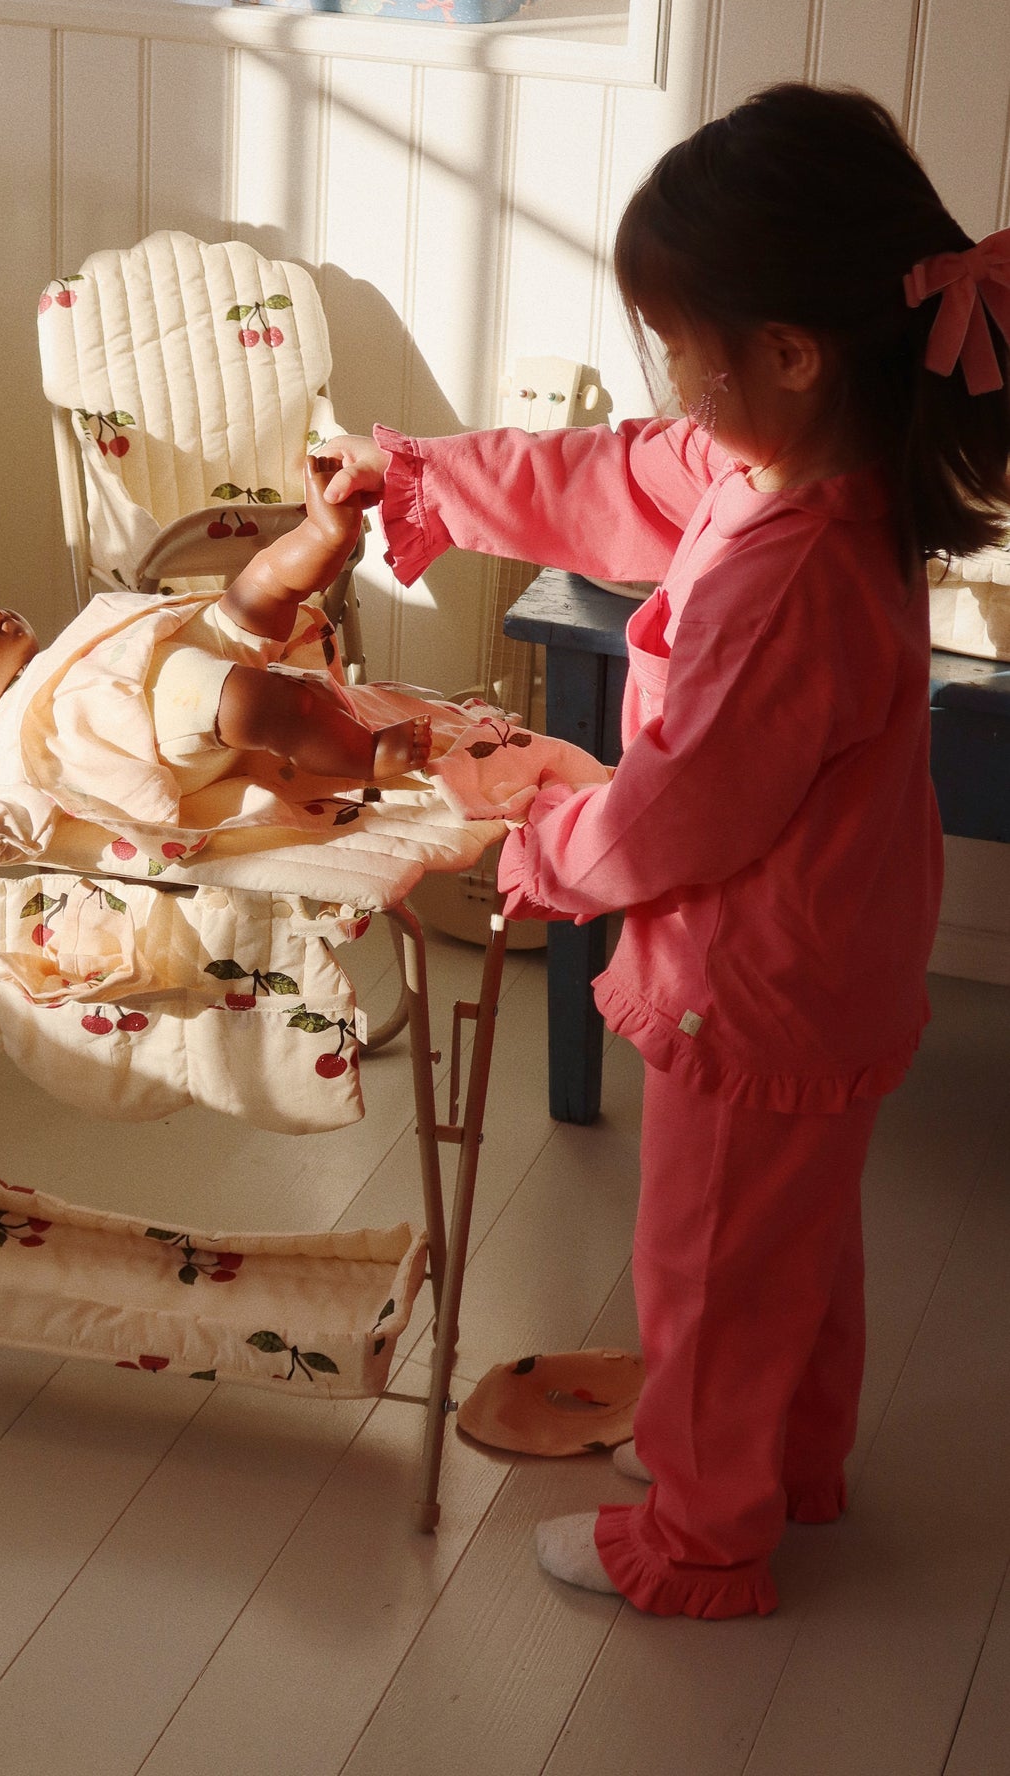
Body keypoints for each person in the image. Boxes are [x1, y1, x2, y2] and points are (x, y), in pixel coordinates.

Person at [320, 81, 1010, 1620]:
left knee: (703, 1263)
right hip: (833, 956)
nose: (668, 380)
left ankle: (700, 1540)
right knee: (796, 1242)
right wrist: (428, 471)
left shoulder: (787, 575)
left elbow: (681, 809)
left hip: (753, 981)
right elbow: (611, 474)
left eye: (679, 345)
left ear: (787, 350)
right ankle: (788, 1466)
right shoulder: (806, 471)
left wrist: (545, 851)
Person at [0, 454, 434, 830]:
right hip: (165, 717)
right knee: (272, 704)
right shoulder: (11, 753)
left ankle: (324, 531)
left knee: (262, 586)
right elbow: (12, 814)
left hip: (169, 650)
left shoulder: (56, 654)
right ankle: (364, 754)